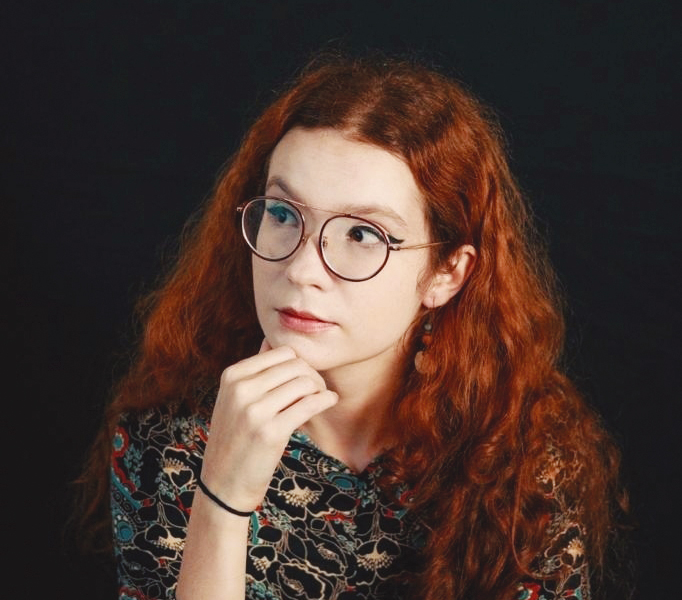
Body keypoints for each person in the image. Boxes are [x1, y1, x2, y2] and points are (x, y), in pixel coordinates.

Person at [78, 54, 627, 600]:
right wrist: (221, 502)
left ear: (446, 274)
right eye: (283, 214)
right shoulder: (165, 438)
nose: (301, 270)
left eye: (362, 234)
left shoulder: (522, 456)